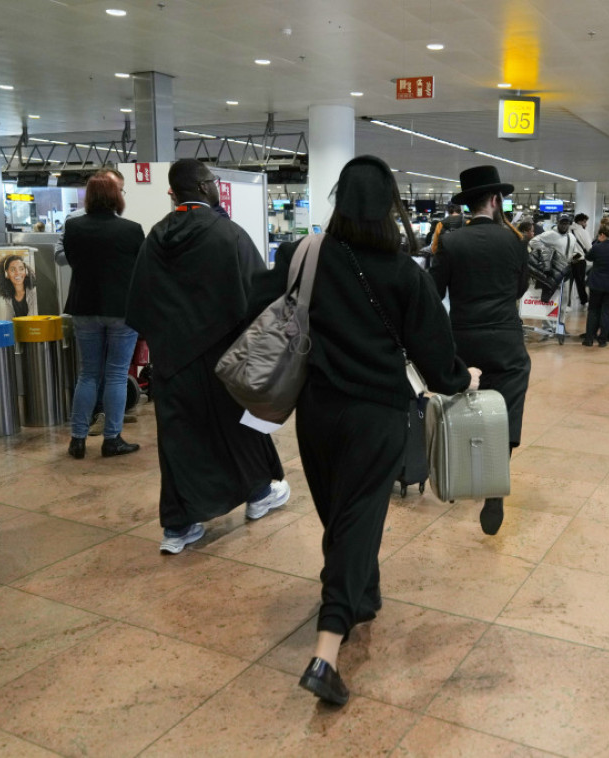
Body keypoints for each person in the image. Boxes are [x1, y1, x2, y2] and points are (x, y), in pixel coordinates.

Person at [251, 155, 478, 708]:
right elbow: (436, 355)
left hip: (317, 412)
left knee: (340, 514)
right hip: (376, 416)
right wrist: (462, 377)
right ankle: (327, 652)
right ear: (390, 207)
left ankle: (362, 595)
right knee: (355, 521)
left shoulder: (305, 255)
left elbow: (260, 303)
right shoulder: (405, 274)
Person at [125, 158, 289, 555]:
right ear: (201, 187)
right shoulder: (227, 234)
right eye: (214, 181)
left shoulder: (155, 238)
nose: (216, 187)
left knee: (180, 443)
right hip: (223, 358)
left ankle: (179, 527)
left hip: (171, 362)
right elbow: (257, 296)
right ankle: (258, 495)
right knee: (239, 431)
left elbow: (138, 303)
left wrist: (167, 341)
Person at [432, 164, 530, 536]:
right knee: (506, 410)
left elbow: (434, 292)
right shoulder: (515, 242)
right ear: (495, 199)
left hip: (464, 339)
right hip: (505, 339)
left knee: (464, 405)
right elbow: (520, 289)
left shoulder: (451, 242)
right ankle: (495, 480)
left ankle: (460, 474)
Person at [63, 174, 145, 459]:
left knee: (87, 373)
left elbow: (73, 262)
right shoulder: (132, 230)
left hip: (84, 307)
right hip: (121, 310)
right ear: (116, 197)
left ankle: (77, 439)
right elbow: (139, 269)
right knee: (116, 374)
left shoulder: (73, 228)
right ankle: (112, 439)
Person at [582, 219, 609, 347]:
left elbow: (588, 257)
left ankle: (589, 339)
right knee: (606, 312)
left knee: (593, 311)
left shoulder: (597, 247)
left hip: (596, 284)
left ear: (602, 235)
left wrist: (597, 242)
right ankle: (602, 340)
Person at [530, 214, 587, 309]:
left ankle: (561, 322)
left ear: (569, 224)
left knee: (564, 299)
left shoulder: (571, 237)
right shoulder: (551, 234)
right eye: (562, 223)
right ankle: (548, 324)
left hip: (566, 271)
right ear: (558, 223)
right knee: (551, 300)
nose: (564, 225)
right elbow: (533, 242)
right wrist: (546, 250)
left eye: (566, 223)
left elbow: (572, 250)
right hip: (554, 271)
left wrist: (574, 256)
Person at [0, 253, 38, 319]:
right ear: (6, 273)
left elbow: (32, 319)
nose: (17, 273)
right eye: (13, 270)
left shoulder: (34, 292)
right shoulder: (9, 297)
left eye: (21, 269)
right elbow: (9, 321)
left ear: (26, 271)